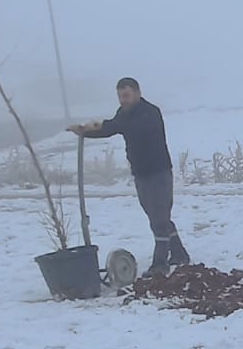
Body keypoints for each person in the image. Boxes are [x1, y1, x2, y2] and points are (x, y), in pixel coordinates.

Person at [69, 77, 190, 276]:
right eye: (120, 96)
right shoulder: (123, 114)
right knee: (156, 216)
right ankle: (179, 254)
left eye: (126, 95)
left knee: (159, 218)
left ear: (137, 93)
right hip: (141, 173)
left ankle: (160, 264)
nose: (123, 100)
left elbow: (132, 127)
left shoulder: (150, 113)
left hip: (159, 172)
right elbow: (112, 128)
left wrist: (103, 124)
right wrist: (85, 132)